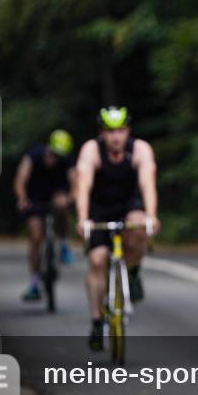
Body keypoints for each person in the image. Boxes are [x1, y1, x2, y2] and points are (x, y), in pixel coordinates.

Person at [75, 106, 160, 350]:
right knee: (97, 260)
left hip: (128, 204)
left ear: (128, 131)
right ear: (102, 132)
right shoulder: (91, 150)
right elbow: (83, 185)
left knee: (139, 226)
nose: (115, 137)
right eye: (110, 131)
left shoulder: (140, 149)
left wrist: (152, 215)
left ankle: (132, 272)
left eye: (121, 131)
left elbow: (147, 183)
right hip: (98, 208)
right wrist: (82, 218)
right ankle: (95, 320)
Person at [14, 129, 76, 301]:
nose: (54, 159)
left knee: (62, 208)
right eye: (52, 155)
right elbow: (20, 179)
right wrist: (22, 199)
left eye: (59, 157)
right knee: (35, 235)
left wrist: (71, 198)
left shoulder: (66, 160)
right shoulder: (33, 155)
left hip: (57, 194)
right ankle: (34, 283)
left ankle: (63, 243)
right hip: (35, 197)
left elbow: (75, 181)